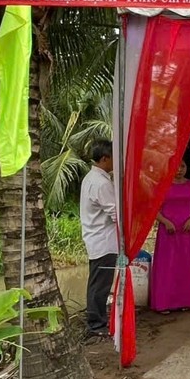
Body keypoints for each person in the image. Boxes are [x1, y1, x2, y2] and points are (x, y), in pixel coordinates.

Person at [149, 159, 190, 312]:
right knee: (167, 265)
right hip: (168, 231)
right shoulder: (162, 185)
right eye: (176, 166)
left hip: (186, 231)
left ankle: (186, 301)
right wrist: (165, 222)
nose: (179, 169)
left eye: (183, 166)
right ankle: (164, 303)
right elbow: (153, 209)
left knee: (185, 265)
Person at [79, 140, 118, 339]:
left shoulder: (93, 178)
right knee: (100, 284)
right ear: (105, 158)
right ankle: (96, 323)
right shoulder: (101, 183)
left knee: (98, 282)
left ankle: (97, 318)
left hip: (98, 238)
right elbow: (115, 212)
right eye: (113, 157)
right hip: (104, 240)